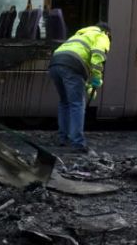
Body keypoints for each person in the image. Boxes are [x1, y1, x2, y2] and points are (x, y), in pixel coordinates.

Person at [47, 22, 111, 153]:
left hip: (55, 63)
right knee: (77, 104)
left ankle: (62, 138)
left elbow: (81, 67)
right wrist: (96, 78)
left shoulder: (80, 35)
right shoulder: (101, 36)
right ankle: (77, 143)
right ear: (107, 33)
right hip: (71, 65)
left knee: (64, 102)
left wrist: (88, 85)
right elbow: (97, 57)